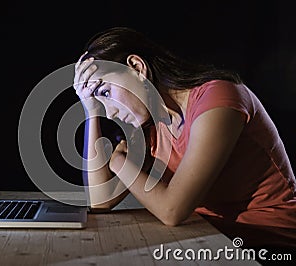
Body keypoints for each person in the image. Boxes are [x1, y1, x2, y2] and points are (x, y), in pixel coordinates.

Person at [73, 27, 296, 252]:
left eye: (106, 93)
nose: (109, 113)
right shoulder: (153, 125)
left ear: (137, 68)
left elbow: (172, 211)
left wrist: (118, 162)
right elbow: (100, 201)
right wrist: (90, 111)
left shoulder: (219, 98)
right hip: (210, 237)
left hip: (269, 242)